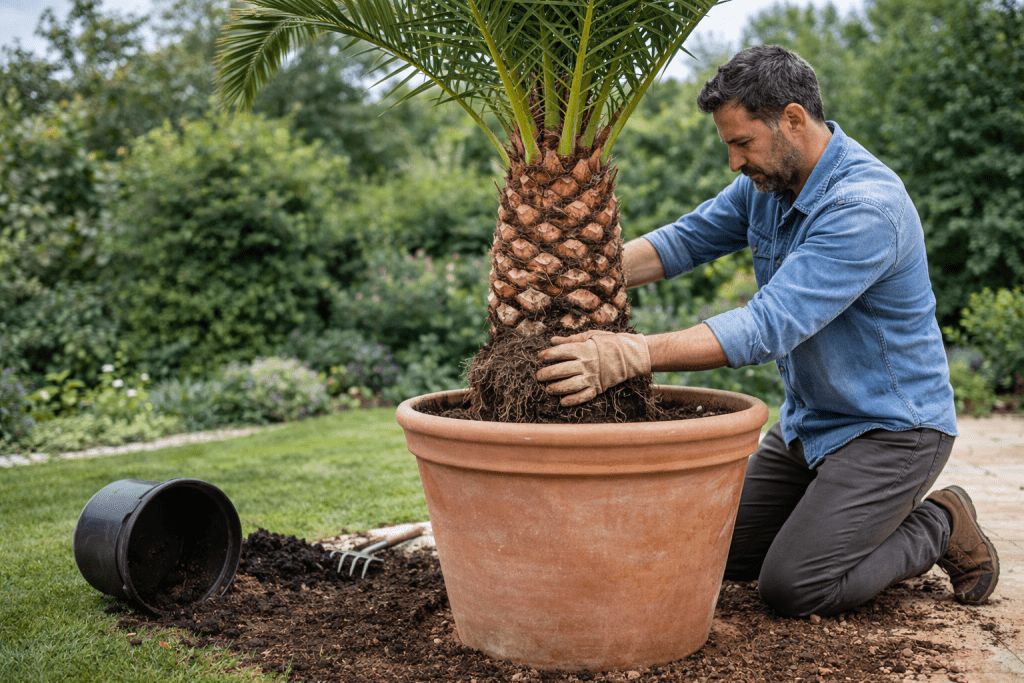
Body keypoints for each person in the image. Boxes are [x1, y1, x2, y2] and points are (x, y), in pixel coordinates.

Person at [536, 45, 999, 617]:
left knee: (794, 586)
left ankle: (940, 521)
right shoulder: (769, 186)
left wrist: (629, 354)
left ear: (793, 120)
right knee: (713, 555)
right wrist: (570, 278)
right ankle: (850, 517)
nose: (733, 162)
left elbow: (766, 326)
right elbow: (682, 242)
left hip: (891, 431)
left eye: (741, 143)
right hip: (809, 425)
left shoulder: (864, 209)